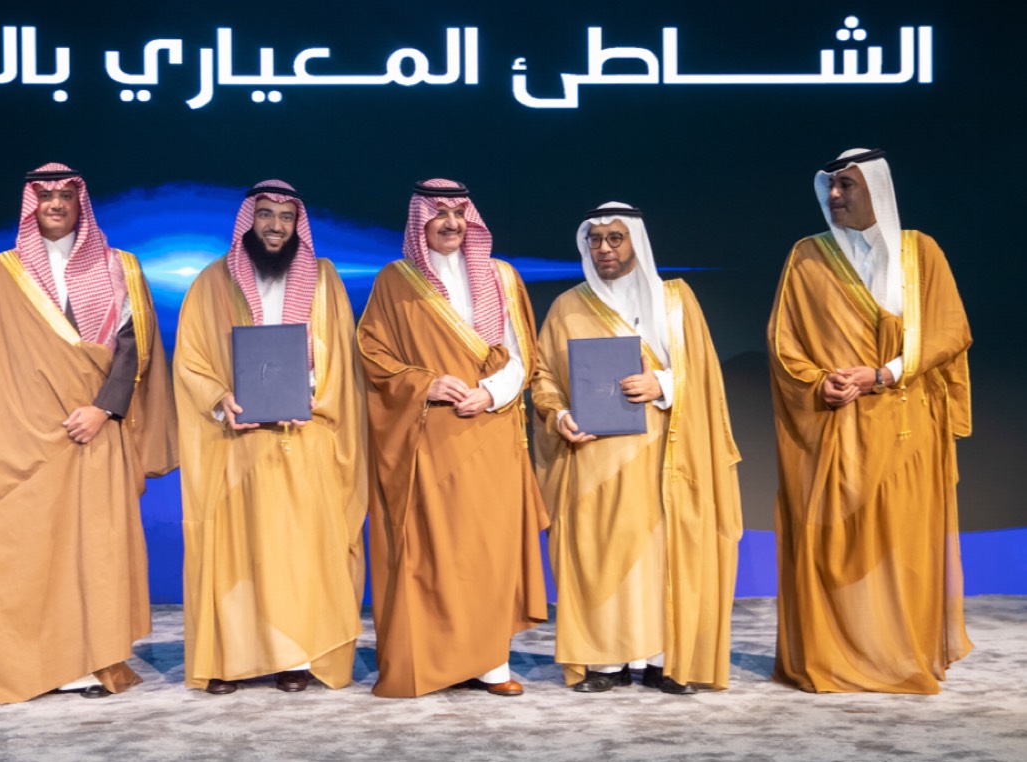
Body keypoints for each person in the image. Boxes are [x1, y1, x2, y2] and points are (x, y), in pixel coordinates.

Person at [0, 163, 178, 704]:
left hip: (95, 433)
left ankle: (91, 665)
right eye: (44, 195)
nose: (54, 203)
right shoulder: (0, 272)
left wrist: (103, 411)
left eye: (65, 195)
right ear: (31, 203)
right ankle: (29, 667)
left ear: (80, 203)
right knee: (23, 551)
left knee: (94, 553)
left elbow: (134, 349)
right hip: (21, 439)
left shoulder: (120, 266)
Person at [769, 148, 973, 694]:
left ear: (877, 189)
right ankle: (832, 657)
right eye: (830, 186)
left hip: (905, 424)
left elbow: (950, 331)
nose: (834, 195)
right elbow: (785, 343)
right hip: (835, 426)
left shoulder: (920, 252)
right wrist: (819, 382)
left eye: (847, 185)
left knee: (903, 545)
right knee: (835, 545)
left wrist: (882, 374)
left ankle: (900, 656)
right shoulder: (807, 256)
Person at [531, 202, 742, 695]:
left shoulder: (675, 301)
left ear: (635, 242)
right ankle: (606, 662)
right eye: (595, 240)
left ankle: (663, 661)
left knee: (660, 556)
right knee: (601, 556)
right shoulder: (567, 306)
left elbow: (705, 377)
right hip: (592, 457)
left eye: (615, 238)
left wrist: (662, 384)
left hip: (664, 456)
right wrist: (559, 416)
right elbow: (543, 377)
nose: (604, 248)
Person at [174, 180, 367, 695]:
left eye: (285, 216)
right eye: (265, 214)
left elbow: (342, 359)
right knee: (236, 553)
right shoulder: (211, 282)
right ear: (249, 220)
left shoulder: (324, 279)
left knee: (297, 555)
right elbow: (190, 360)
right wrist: (222, 400)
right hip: (236, 443)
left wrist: (310, 395)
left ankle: (294, 658)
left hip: (305, 439)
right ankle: (229, 660)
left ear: (297, 223)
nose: (275, 226)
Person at [357, 179, 548, 698]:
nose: (450, 223)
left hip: (491, 429)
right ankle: (435, 661)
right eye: (438, 213)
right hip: (429, 436)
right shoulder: (395, 281)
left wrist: (490, 393)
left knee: (489, 549)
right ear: (419, 222)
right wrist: (426, 383)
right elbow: (372, 353)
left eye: (459, 213)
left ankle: (491, 663)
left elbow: (522, 355)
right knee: (434, 553)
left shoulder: (502, 276)